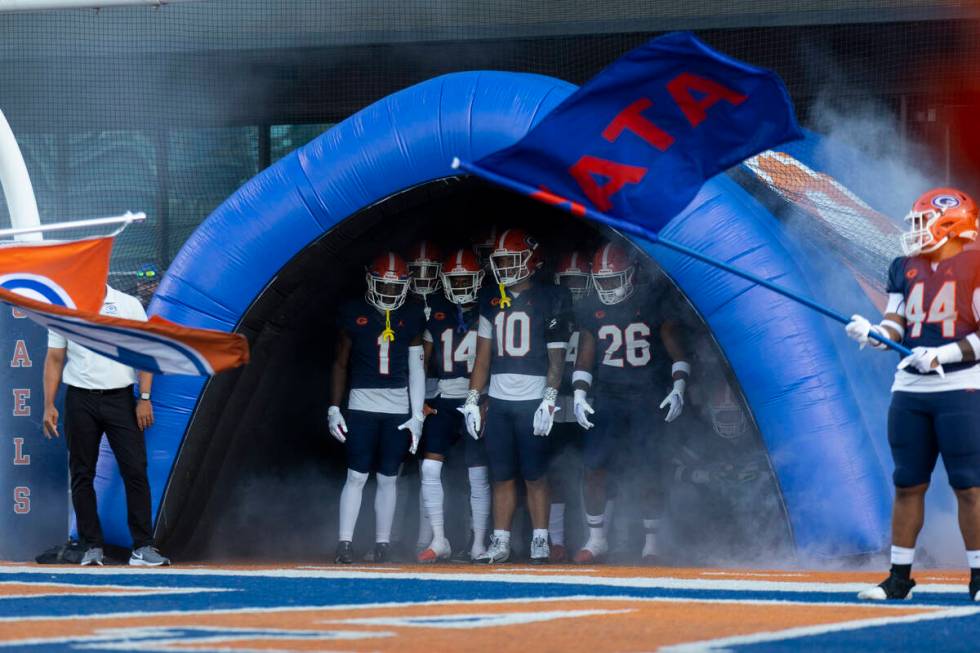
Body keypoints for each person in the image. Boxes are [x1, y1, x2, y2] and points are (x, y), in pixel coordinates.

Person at [846, 187, 980, 601]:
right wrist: (872, 334)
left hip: (961, 387)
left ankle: (978, 578)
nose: (916, 232)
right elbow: (895, 326)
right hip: (909, 388)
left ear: (951, 224)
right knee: (907, 484)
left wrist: (942, 353)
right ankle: (899, 579)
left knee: (969, 486)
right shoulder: (904, 267)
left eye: (923, 223)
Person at [571, 242, 690, 564]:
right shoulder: (590, 307)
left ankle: (652, 541)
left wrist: (679, 386)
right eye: (603, 281)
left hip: (647, 396)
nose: (607, 287)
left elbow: (677, 350)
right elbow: (585, 355)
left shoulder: (651, 302)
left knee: (649, 470)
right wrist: (580, 393)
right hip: (608, 397)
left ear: (631, 276)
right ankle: (596, 539)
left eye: (613, 280)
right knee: (594, 470)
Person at [459, 228, 573, 564]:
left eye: (512, 259)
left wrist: (549, 398)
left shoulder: (552, 297)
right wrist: (471, 399)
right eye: (501, 261)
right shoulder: (491, 298)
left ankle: (541, 538)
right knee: (502, 474)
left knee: (535, 474)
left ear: (532, 262)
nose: (505, 267)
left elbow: (557, 357)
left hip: (532, 397)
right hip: (500, 399)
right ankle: (502, 540)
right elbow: (482, 356)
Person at [41, 285, 169, 567]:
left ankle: (142, 547)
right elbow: (54, 358)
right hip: (79, 399)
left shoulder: (128, 304)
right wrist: (49, 404)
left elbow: (144, 353)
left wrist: (144, 398)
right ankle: (91, 546)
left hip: (120, 399)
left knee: (135, 470)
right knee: (82, 473)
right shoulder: (63, 309)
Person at [329, 251, 427, 564]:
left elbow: (417, 368)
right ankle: (344, 542)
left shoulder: (411, 315)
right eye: (383, 286)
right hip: (361, 404)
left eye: (396, 287)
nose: (389, 292)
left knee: (388, 478)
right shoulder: (352, 312)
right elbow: (340, 363)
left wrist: (416, 415)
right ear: (370, 282)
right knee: (356, 476)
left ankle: (382, 543)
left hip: (397, 405)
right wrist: (334, 407)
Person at [416, 247, 492, 562]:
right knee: (430, 467)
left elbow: (495, 359)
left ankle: (478, 542)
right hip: (445, 397)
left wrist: (488, 399)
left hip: (477, 398)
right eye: (455, 281)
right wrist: (418, 400)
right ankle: (439, 538)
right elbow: (422, 359)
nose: (460, 287)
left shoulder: (489, 306)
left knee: (477, 473)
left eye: (466, 280)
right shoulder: (435, 309)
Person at [547, 250, 594, 562]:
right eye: (568, 281)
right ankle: (556, 540)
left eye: (579, 280)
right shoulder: (553, 316)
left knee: (594, 470)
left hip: (589, 403)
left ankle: (599, 538)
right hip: (555, 403)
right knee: (554, 474)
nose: (574, 288)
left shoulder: (596, 316)